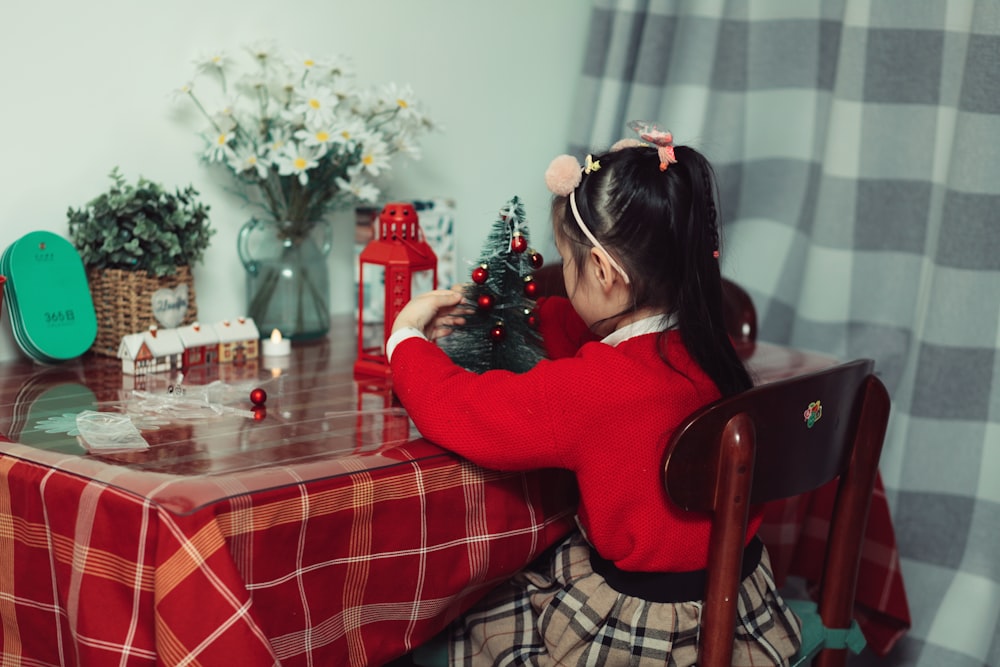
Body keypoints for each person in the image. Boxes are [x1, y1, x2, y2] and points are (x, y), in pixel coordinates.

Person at [386, 123, 802, 666]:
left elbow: (459, 411)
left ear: (604, 270)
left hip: (643, 629)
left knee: (462, 626)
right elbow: (591, 341)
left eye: (570, 261)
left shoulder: (593, 392)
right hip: (741, 604)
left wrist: (407, 338)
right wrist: (531, 318)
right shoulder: (705, 348)